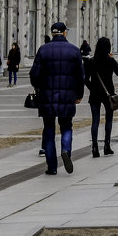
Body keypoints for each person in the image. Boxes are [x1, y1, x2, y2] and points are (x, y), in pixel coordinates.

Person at [30, 21, 85, 175]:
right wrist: (79, 94)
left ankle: (52, 166)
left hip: (47, 96)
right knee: (66, 127)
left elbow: (34, 75)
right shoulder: (74, 51)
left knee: (49, 130)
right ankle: (66, 150)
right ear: (64, 32)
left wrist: (40, 88)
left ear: (53, 33)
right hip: (68, 96)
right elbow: (81, 77)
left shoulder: (43, 50)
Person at [84, 37, 118, 158]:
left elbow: (85, 79)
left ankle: (95, 147)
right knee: (109, 119)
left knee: (95, 120)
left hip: (95, 94)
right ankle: (107, 145)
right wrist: (112, 59)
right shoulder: (110, 60)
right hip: (108, 94)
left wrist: (92, 88)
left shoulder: (91, 61)